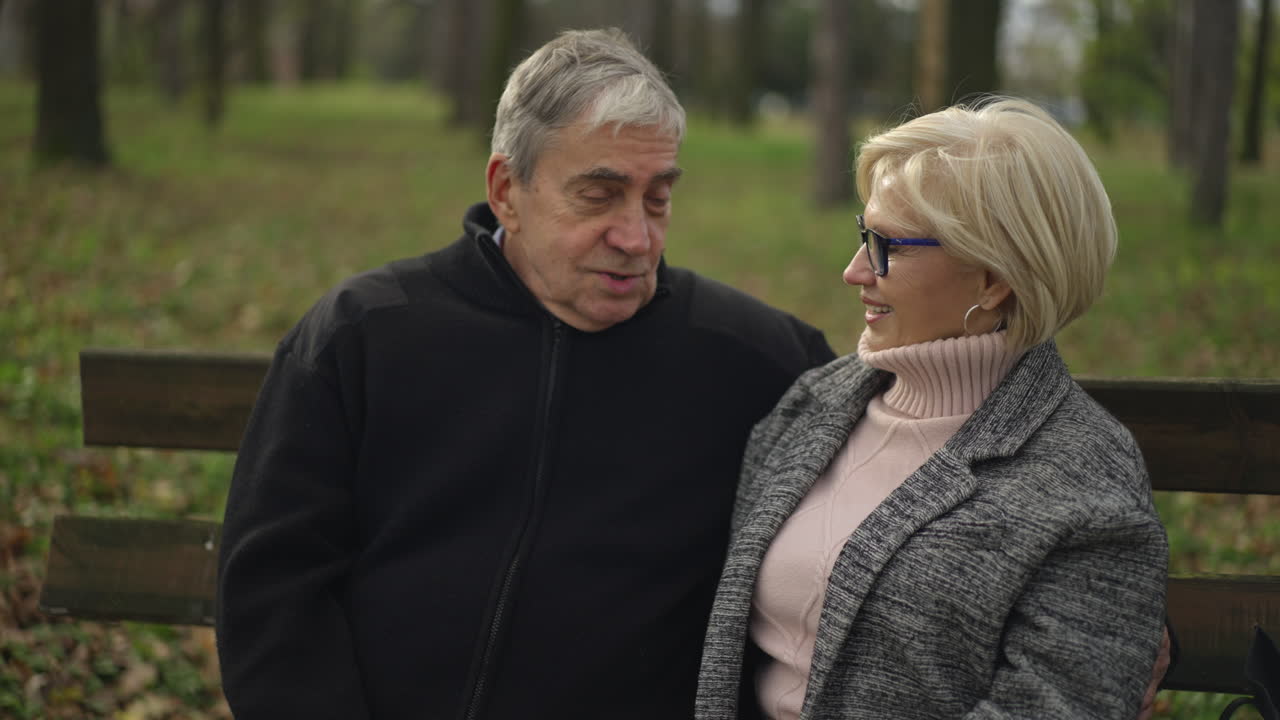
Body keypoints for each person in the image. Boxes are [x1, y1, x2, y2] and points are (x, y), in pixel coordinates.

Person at [215, 28, 834, 720]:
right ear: (508, 190)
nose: (638, 237)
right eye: (600, 196)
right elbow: (273, 593)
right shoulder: (364, 335)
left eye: (657, 198)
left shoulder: (756, 361)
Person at [695, 98, 1169, 719]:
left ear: (993, 278)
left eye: (888, 245)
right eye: (862, 236)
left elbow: (1057, 705)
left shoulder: (1084, 479)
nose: (854, 271)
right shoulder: (814, 406)